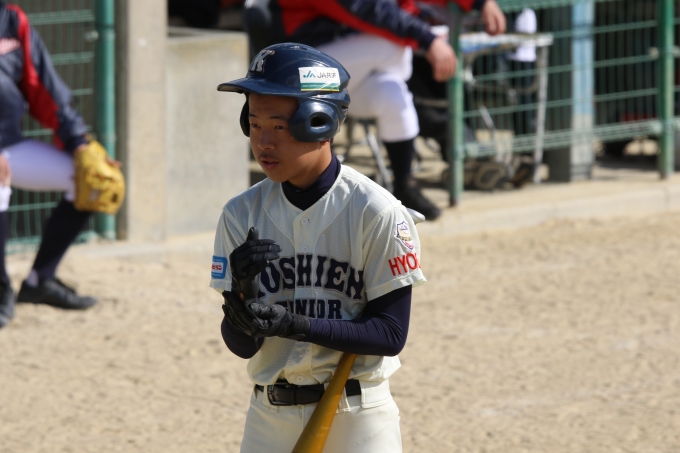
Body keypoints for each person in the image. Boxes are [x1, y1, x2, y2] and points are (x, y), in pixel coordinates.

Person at [210, 43, 426, 452]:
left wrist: (295, 325)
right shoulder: (241, 213)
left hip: (357, 416)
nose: (262, 141)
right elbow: (241, 347)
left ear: (318, 121)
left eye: (278, 126)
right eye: (253, 124)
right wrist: (242, 298)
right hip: (269, 416)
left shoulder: (376, 211)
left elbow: (390, 333)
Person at [0, 2, 113, 329]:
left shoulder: (10, 18)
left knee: (91, 179)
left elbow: (42, 85)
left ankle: (39, 281)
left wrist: (79, 142)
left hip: (8, 143)